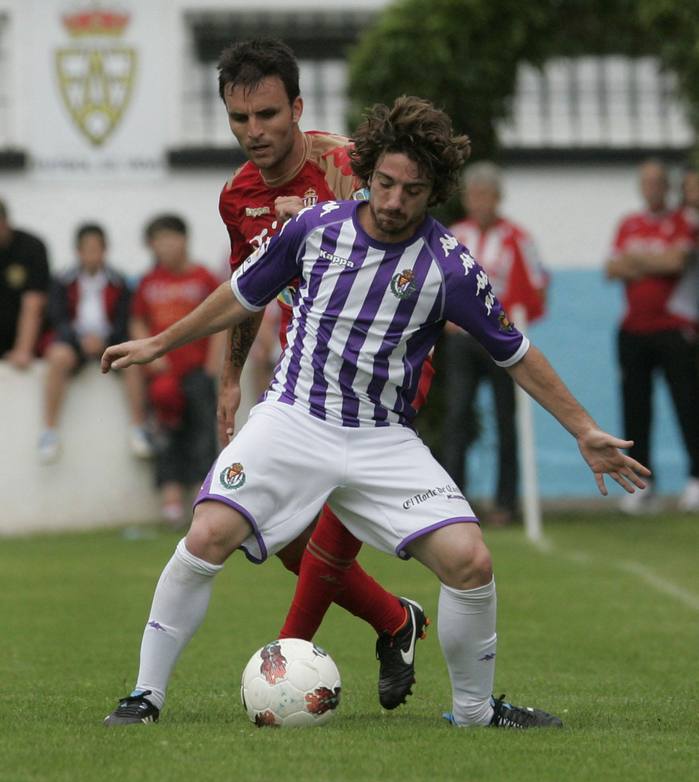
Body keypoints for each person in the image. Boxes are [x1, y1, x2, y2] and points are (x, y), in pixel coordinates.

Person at [101, 95, 649, 729]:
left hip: (382, 440)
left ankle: (474, 713)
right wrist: (159, 343)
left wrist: (583, 429)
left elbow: (515, 353)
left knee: (471, 561)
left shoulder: (449, 267)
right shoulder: (313, 229)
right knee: (206, 536)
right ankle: (145, 696)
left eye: (411, 191)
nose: (393, 201)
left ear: (433, 192)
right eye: (385, 183)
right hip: (293, 418)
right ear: (366, 175)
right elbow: (240, 293)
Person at [215, 38, 433, 711]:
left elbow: (410, 244)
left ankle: (280, 677)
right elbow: (249, 288)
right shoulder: (237, 197)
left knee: (331, 532)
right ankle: (396, 622)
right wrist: (230, 379)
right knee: (280, 533)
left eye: (267, 114)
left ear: (297, 108)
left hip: (385, 368)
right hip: (303, 374)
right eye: (239, 118)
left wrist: (329, 218)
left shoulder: (347, 166)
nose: (254, 131)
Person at [440, 162, 548, 526]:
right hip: (461, 340)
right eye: (474, 195)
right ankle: (454, 501)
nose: (481, 202)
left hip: (500, 340)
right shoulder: (453, 236)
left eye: (487, 195)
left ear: (498, 198)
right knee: (457, 416)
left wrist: (517, 319)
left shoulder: (518, 237)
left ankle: (506, 503)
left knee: (506, 420)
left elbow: (537, 282)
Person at [606, 159, 699, 514]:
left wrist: (638, 261)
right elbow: (613, 267)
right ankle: (643, 485)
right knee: (636, 410)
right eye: (646, 182)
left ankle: (695, 478)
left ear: (667, 186)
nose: (652, 188)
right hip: (633, 329)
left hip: (675, 329)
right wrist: (651, 261)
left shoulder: (683, 221)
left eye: (658, 182)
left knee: (687, 403)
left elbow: (676, 262)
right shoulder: (628, 223)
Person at [131, 214, 225, 527]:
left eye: (170, 238)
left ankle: (204, 505)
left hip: (197, 372)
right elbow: (138, 319)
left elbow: (221, 319)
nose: (164, 246)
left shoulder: (203, 278)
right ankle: (171, 505)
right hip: (163, 377)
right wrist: (149, 354)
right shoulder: (148, 282)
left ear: (184, 239)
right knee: (165, 436)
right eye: (158, 240)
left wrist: (214, 364)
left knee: (202, 436)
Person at [37, 222, 152, 464]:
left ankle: (138, 428)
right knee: (57, 356)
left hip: (109, 342)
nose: (92, 254)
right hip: (74, 343)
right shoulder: (62, 280)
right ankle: (49, 430)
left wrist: (105, 341)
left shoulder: (119, 281)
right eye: (86, 249)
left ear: (105, 250)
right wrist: (79, 341)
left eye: (96, 248)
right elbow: (57, 318)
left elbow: (124, 319)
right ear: (77, 251)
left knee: (133, 362)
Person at [0, 198, 50, 368]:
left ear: (4, 221)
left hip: (26, 340)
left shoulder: (31, 247)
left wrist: (23, 349)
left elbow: (33, 302)